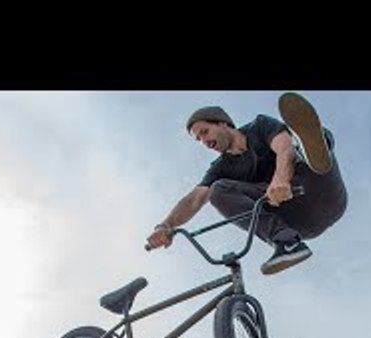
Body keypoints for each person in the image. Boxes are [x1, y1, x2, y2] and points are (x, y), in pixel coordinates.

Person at [146, 92, 348, 275]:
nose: (204, 141)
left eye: (205, 132)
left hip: (320, 189)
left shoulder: (259, 127)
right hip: (297, 220)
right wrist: (165, 225)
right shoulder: (220, 168)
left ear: (223, 123)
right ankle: (287, 243)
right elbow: (195, 199)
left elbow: (283, 148)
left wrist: (281, 179)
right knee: (218, 190)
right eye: (199, 139)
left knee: (299, 144)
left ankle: (315, 146)